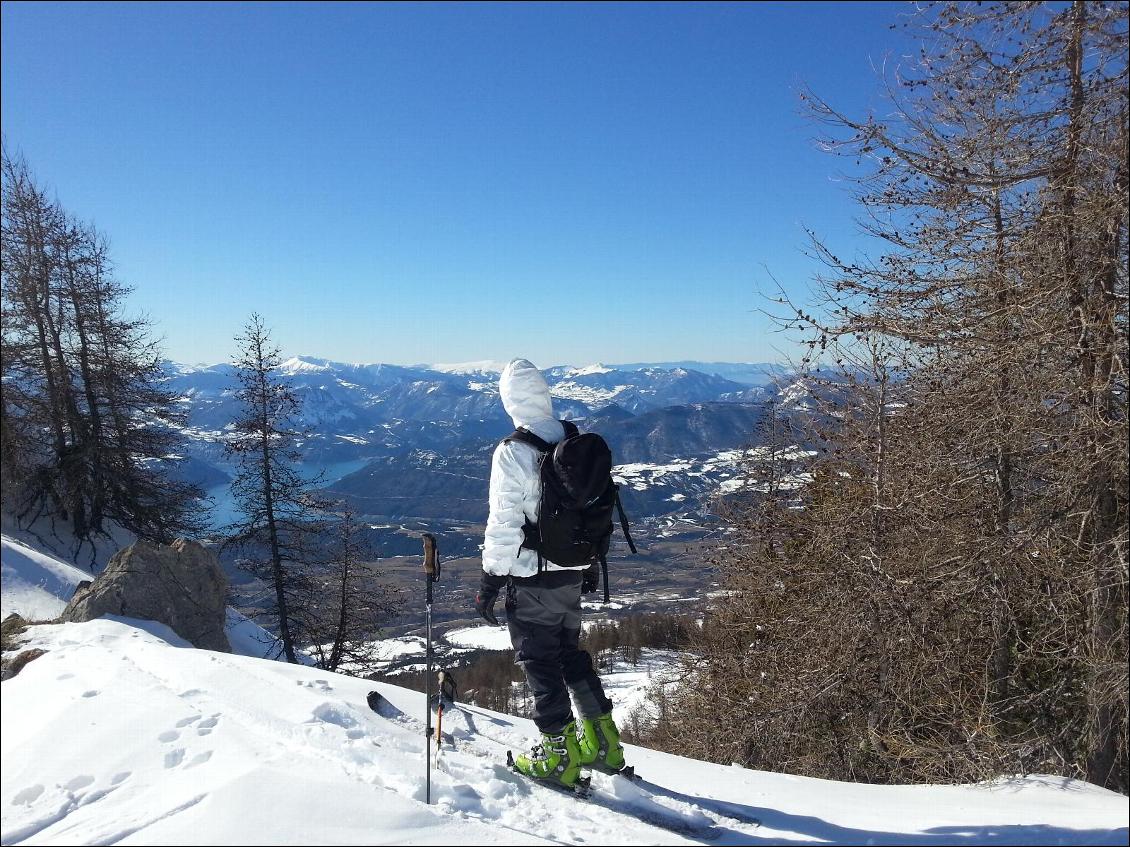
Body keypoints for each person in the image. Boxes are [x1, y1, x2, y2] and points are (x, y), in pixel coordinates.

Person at [474, 358, 625, 787]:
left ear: (509, 401)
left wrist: (490, 581)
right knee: (568, 653)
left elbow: (504, 522)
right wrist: (590, 561)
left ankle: (559, 756)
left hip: (531, 576)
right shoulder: (570, 439)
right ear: (545, 395)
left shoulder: (514, 450)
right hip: (572, 571)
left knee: (539, 660)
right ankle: (602, 743)